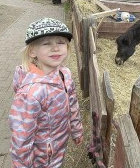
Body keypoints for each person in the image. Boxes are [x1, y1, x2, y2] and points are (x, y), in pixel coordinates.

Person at [9, 17, 84, 168]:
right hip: (40, 158)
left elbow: (72, 104)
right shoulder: (30, 94)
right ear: (32, 51)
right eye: (46, 43)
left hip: (59, 146)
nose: (55, 48)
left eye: (61, 42)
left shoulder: (65, 74)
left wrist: (76, 130)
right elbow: (21, 138)